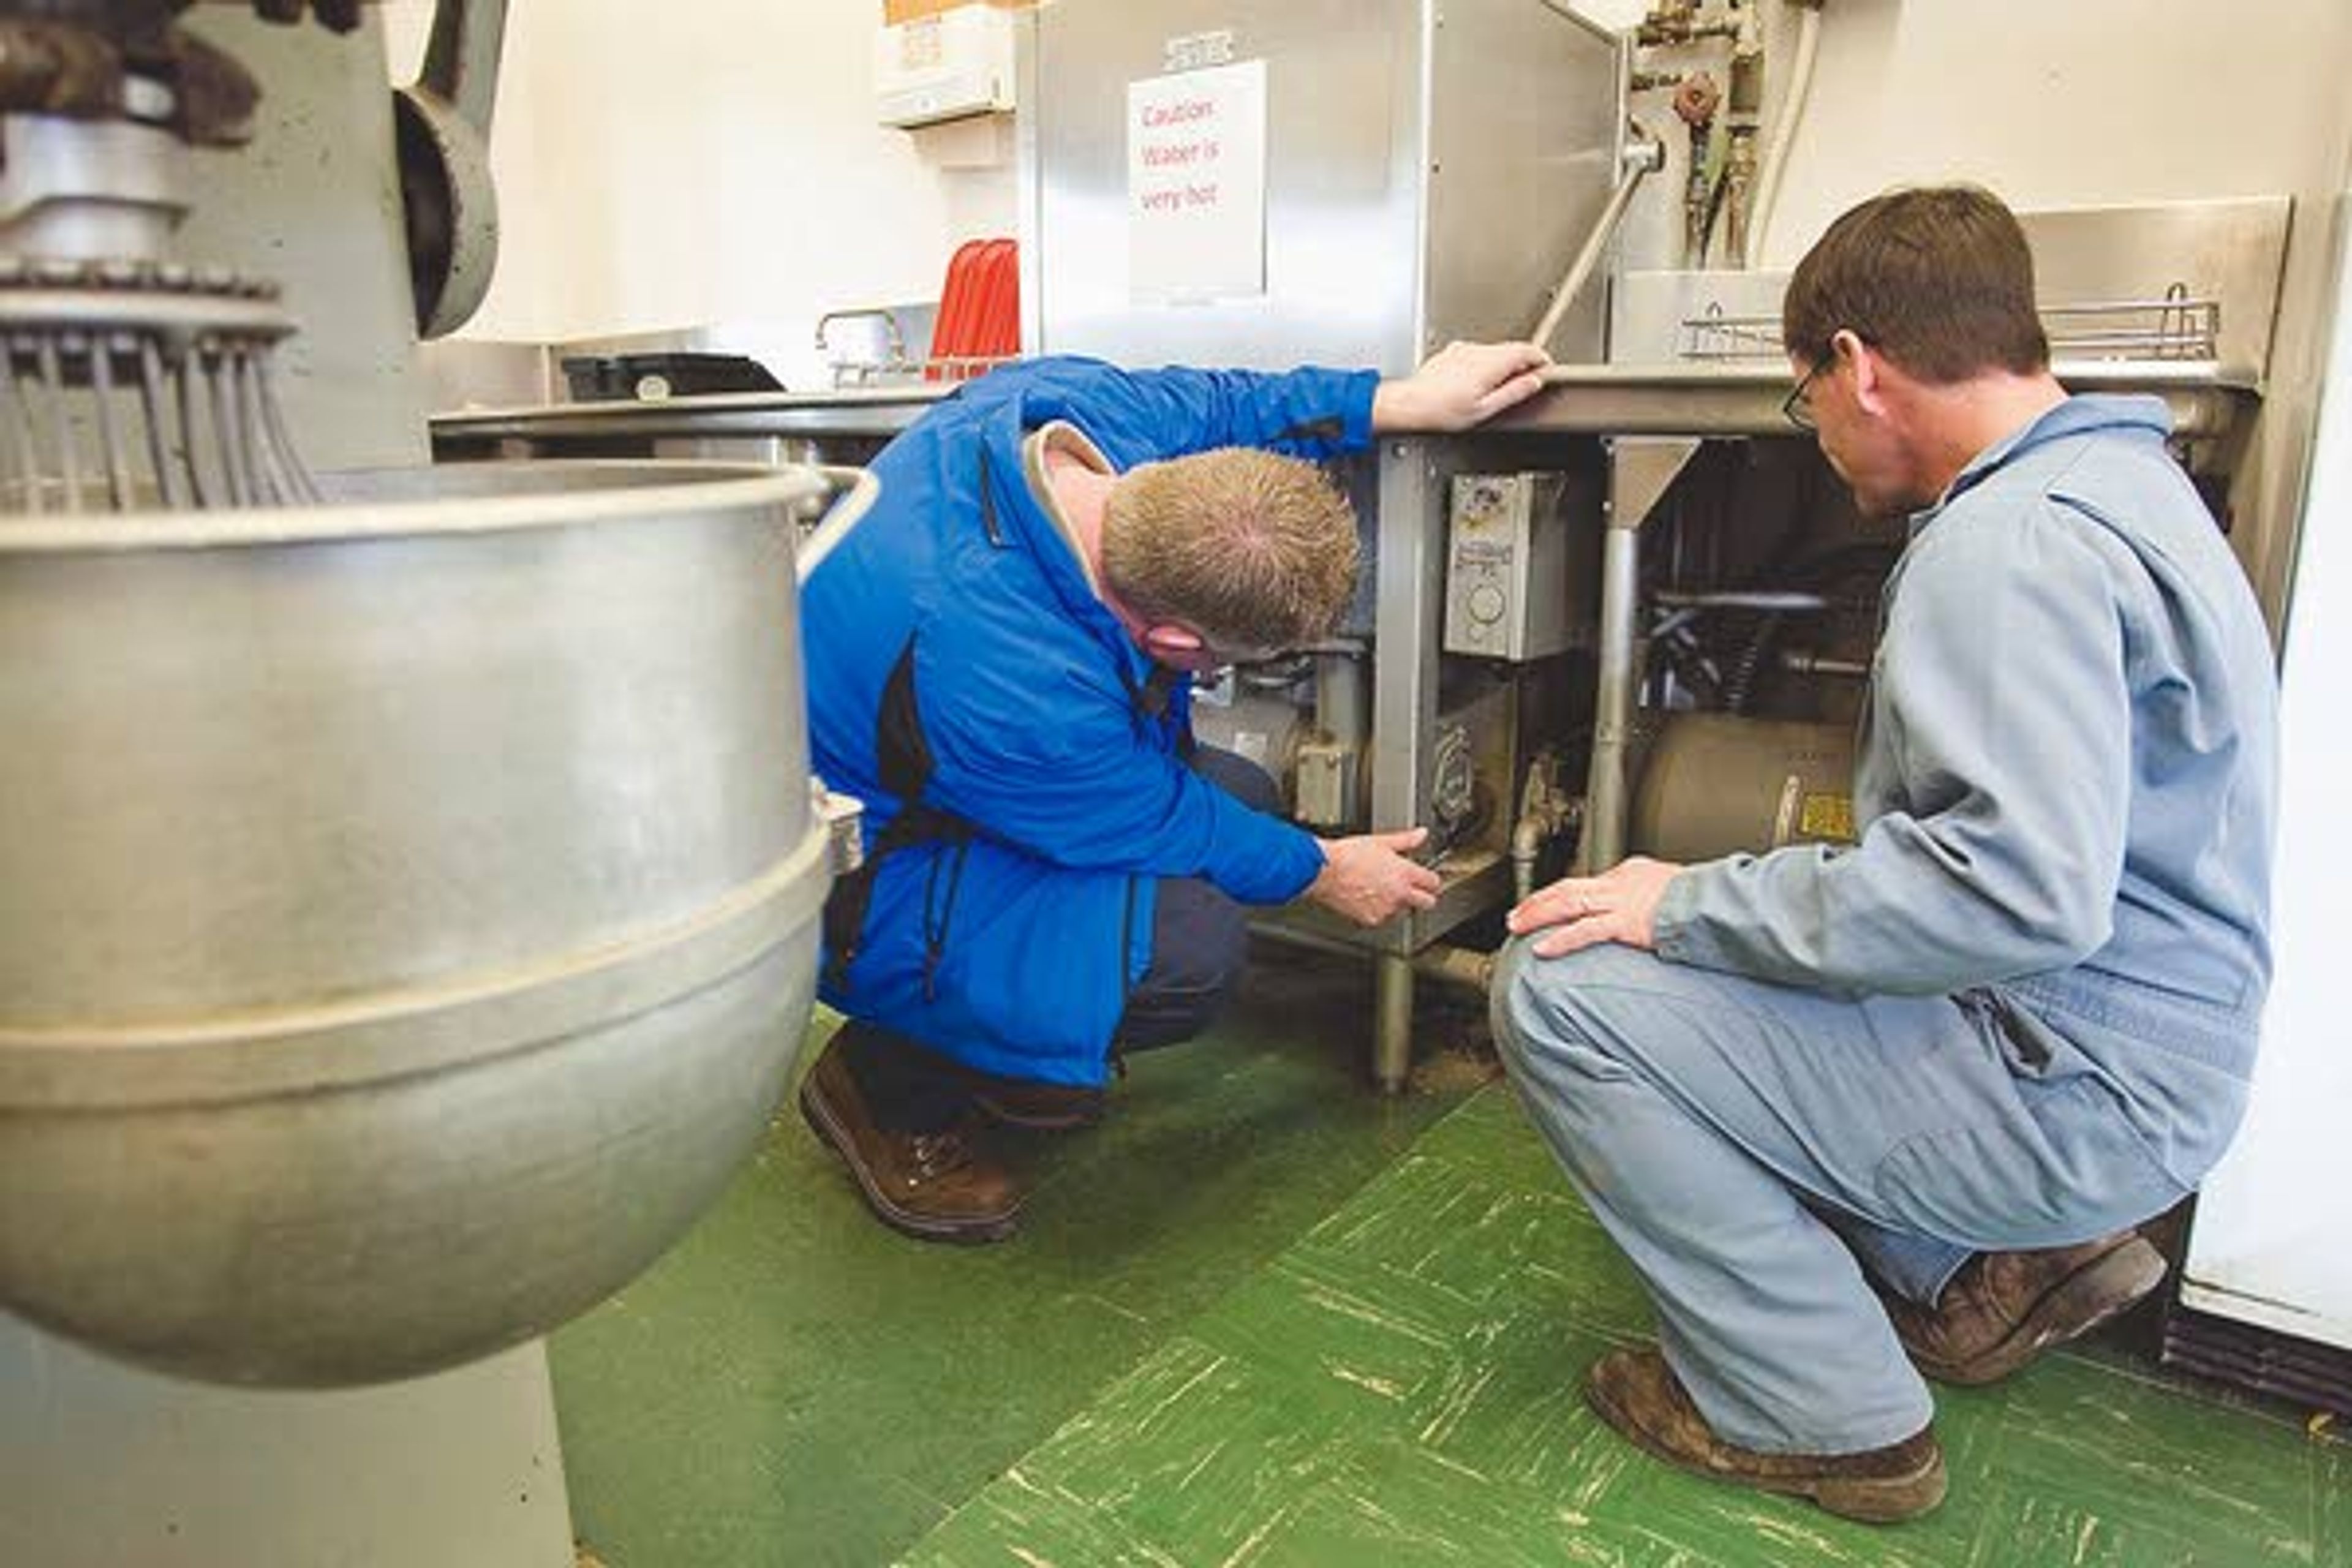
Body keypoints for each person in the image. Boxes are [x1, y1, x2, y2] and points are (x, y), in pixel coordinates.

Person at [1490, 185, 2278, 1523]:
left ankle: (1821, 1414)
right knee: (1772, 947)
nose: (1820, 436)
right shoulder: (2122, 481)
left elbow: (2005, 889)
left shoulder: (2006, 545)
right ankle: (1994, 1267)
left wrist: (1684, 901)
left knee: (1559, 993)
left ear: (1858, 368)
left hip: (2074, 1082)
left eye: (1807, 399)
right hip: (2143, 1051)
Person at [799, 340, 1553, 1245]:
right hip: (849, 878)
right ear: (1171, 638)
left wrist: (1398, 400)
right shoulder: (1002, 671)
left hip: (937, 789)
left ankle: (1005, 1040)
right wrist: (1322, 871)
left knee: (1237, 788)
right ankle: (889, 1085)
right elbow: (1149, 813)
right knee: (1187, 950)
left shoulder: (1081, 416)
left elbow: (1230, 397)